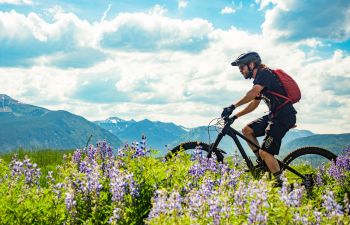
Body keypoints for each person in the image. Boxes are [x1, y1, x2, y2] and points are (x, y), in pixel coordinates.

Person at [221, 52, 297, 186]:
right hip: (274, 114)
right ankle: (264, 164)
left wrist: (232, 106)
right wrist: (235, 116)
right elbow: (254, 103)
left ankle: (282, 185)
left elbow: (251, 94)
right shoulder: (260, 80)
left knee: (265, 152)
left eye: (241, 67)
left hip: (284, 117)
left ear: (251, 65)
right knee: (247, 130)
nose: (240, 70)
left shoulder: (264, 74)